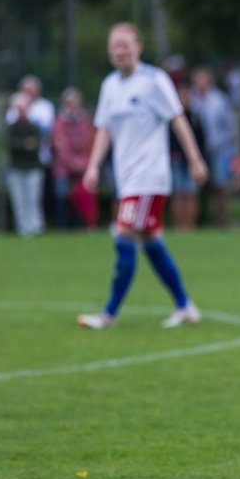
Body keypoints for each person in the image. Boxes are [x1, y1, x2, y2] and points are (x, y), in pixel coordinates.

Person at [77, 22, 209, 329]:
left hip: (149, 176)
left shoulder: (154, 80)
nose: (119, 50)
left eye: (125, 44)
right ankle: (185, 306)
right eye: (114, 45)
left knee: (124, 236)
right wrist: (93, 165)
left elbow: (177, 119)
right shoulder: (110, 85)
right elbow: (104, 129)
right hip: (126, 178)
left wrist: (195, 159)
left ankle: (108, 314)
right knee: (151, 240)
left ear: (138, 47)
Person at [190, 66, 239, 227]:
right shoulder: (191, 99)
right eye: (198, 79)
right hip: (197, 150)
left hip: (218, 148)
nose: (201, 82)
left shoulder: (219, 99)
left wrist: (227, 146)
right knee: (196, 186)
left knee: (220, 185)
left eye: (203, 78)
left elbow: (229, 126)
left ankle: (222, 219)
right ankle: (198, 220)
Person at [50, 88, 98, 230]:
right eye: (69, 102)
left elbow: (89, 140)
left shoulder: (85, 120)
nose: (72, 105)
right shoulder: (59, 121)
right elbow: (60, 144)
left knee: (83, 195)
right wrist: (72, 162)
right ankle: (62, 226)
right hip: (63, 166)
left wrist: (81, 162)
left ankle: (81, 225)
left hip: (83, 164)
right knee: (61, 194)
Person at [6, 93, 46, 237]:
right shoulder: (11, 128)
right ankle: (23, 229)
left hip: (32, 168)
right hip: (16, 169)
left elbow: (35, 146)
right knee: (19, 201)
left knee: (33, 200)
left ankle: (35, 228)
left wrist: (24, 145)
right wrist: (25, 144)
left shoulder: (34, 127)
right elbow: (12, 146)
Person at [169, 83, 206, 230]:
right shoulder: (171, 119)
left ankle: (190, 226)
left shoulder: (195, 118)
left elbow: (201, 140)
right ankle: (179, 226)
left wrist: (197, 160)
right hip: (176, 160)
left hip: (191, 161)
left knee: (190, 193)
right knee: (178, 194)